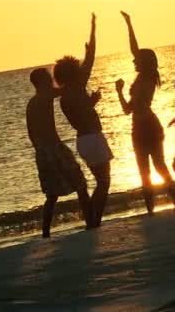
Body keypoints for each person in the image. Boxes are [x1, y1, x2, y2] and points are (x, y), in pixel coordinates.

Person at [115, 11, 175, 215]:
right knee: (152, 167)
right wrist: (128, 24)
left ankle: (159, 207)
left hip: (145, 126)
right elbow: (136, 50)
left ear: (143, 63)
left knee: (151, 168)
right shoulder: (147, 76)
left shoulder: (147, 77)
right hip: (144, 125)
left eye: (137, 61)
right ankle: (167, 204)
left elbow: (128, 109)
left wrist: (119, 91)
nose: (133, 62)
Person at [54, 13, 113, 227]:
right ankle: (93, 220)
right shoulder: (78, 87)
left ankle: (92, 219)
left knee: (101, 181)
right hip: (93, 139)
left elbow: (79, 117)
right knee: (104, 182)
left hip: (83, 141)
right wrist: (93, 29)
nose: (82, 68)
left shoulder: (64, 96)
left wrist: (92, 103)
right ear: (74, 72)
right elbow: (92, 58)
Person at [26, 68, 92, 238]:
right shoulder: (45, 95)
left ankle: (46, 232)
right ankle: (91, 221)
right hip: (54, 148)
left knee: (52, 194)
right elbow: (68, 88)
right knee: (80, 183)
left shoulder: (31, 103)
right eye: (49, 77)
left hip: (41, 152)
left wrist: (41, 150)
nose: (52, 79)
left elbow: (31, 133)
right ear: (42, 81)